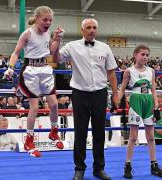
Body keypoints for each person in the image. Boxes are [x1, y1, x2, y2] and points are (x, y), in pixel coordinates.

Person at [55, 18, 119, 180]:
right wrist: (56, 40)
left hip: (100, 94)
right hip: (80, 94)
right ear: (82, 30)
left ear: (96, 30)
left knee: (99, 132)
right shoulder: (72, 46)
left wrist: (116, 94)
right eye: (88, 27)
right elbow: (55, 59)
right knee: (80, 132)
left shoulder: (105, 48)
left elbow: (111, 73)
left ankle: (99, 168)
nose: (91, 30)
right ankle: (79, 168)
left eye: (94, 27)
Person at [4, 6, 64, 157]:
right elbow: (16, 52)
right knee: (35, 107)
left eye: (50, 20)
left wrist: (57, 39)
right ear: (37, 19)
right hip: (30, 70)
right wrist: (10, 67)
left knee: (54, 104)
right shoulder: (27, 33)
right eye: (45, 19)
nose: (48, 22)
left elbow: (51, 51)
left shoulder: (48, 33)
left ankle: (54, 132)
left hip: (45, 68)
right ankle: (29, 141)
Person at [118, 44, 162, 178]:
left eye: (147, 55)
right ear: (135, 55)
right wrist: (116, 101)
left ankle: (154, 165)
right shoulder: (129, 71)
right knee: (133, 137)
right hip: (136, 101)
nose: (145, 57)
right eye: (142, 54)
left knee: (150, 137)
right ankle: (128, 165)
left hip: (148, 102)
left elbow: (154, 89)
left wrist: (156, 107)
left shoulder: (151, 71)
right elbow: (122, 88)